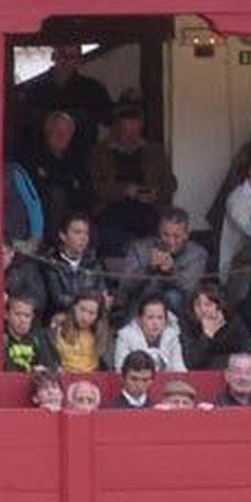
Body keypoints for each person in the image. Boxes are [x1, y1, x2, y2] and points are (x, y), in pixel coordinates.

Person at [89, 101, 177, 258]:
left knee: (157, 233)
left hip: (149, 207)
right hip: (112, 207)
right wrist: (125, 190)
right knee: (110, 235)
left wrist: (155, 193)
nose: (131, 136)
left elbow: (171, 183)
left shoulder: (154, 151)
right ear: (117, 129)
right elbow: (94, 186)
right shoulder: (100, 152)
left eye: (135, 131)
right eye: (126, 131)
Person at [117, 207, 206, 320]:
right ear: (159, 231)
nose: (170, 241)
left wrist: (172, 273)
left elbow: (191, 291)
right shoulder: (140, 248)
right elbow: (125, 286)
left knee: (173, 296)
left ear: (186, 235)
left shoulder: (197, 254)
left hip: (177, 314)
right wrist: (149, 268)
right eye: (165, 235)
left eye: (176, 236)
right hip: (141, 308)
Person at [181, 283, 251, 371]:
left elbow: (247, 354)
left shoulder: (233, 322)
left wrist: (215, 362)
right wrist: (207, 335)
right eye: (198, 305)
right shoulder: (189, 324)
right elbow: (191, 363)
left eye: (208, 304)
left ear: (219, 306)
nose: (203, 310)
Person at [112, 296, 185, 372]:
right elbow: (120, 370)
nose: (155, 323)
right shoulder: (125, 336)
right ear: (139, 320)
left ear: (166, 321)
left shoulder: (172, 337)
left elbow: (179, 368)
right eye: (150, 317)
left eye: (160, 318)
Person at [51, 292, 111, 374]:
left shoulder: (100, 334)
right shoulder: (58, 329)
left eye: (91, 313)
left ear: (98, 316)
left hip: (92, 378)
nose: (85, 317)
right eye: (82, 310)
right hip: (65, 377)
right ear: (74, 307)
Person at [5, 295, 58, 373]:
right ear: (6, 315)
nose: (22, 320)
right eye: (17, 314)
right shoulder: (3, 340)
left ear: (32, 318)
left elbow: (51, 367)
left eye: (27, 316)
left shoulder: (37, 340)